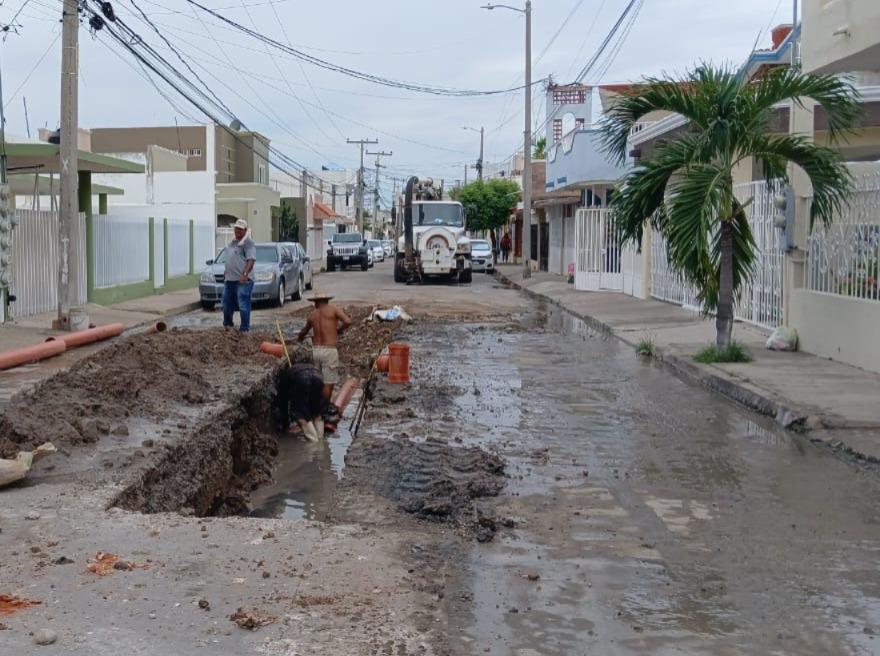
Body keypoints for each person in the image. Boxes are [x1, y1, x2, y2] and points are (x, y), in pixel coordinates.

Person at [297, 292, 351, 411]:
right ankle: (323, 410)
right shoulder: (333, 310)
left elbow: (303, 332)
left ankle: (314, 409)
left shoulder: (312, 315)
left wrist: (299, 339)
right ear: (327, 301)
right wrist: (338, 330)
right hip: (329, 351)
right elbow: (347, 321)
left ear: (316, 302)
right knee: (328, 382)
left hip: (316, 352)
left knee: (317, 382)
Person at [277, 343, 326, 441]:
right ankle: (321, 439)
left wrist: (285, 425)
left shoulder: (286, 376)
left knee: (299, 413)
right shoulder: (304, 367)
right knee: (317, 412)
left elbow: (283, 402)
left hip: (301, 379)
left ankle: (313, 441)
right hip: (319, 377)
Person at [222, 219, 256, 332]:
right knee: (226, 303)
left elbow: (251, 260)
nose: (238, 231)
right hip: (230, 280)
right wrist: (226, 271)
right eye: (236, 228)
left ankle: (244, 329)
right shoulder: (232, 243)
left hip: (243, 280)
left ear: (245, 230)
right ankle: (228, 325)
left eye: (240, 229)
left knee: (243, 304)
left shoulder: (248, 243)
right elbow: (230, 259)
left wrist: (245, 274)